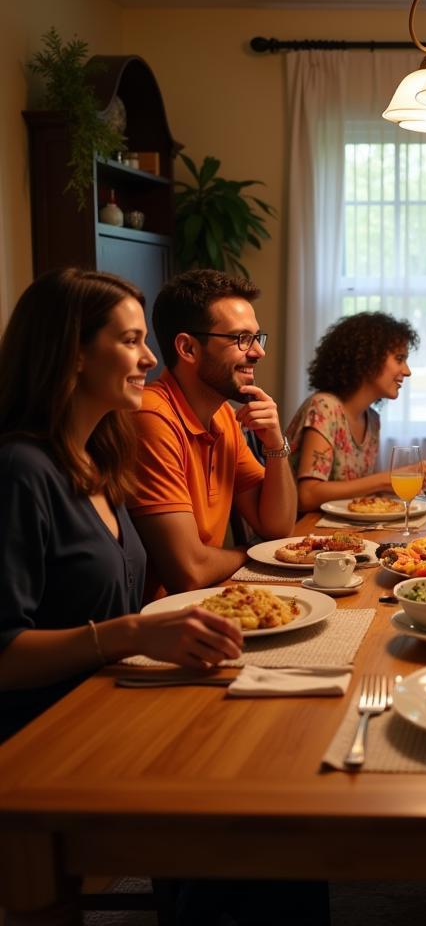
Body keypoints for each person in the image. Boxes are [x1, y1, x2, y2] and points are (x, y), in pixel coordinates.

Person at [0, 269, 243, 744]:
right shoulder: (20, 471)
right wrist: (131, 633)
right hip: (44, 736)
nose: (151, 359)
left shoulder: (101, 459)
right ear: (73, 354)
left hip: (116, 704)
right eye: (131, 341)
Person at [129, 270, 297, 598]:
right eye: (240, 339)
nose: (258, 353)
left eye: (257, 338)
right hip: (163, 624)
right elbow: (189, 572)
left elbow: (277, 527)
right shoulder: (151, 416)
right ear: (188, 348)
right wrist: (253, 552)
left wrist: (276, 444)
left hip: (207, 602)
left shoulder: (222, 415)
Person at [285, 311, 426, 513]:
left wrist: (394, 483)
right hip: (300, 534)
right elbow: (308, 495)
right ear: (368, 359)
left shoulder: (372, 419)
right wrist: (385, 479)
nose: (407, 371)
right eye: (399, 359)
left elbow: (358, 496)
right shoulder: (324, 408)